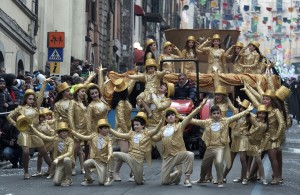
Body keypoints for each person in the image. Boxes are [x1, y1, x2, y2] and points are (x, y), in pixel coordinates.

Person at [191, 104, 253, 188]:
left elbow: (237, 116)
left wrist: (247, 110)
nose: (216, 115)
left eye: (217, 113)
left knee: (219, 163)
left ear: (220, 113)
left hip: (220, 147)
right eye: (214, 113)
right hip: (210, 148)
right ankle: (202, 179)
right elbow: (194, 121)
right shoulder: (207, 122)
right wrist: (181, 117)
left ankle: (220, 181)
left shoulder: (225, 121)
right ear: (211, 115)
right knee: (204, 165)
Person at [152, 100, 207, 187]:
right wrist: (148, 134)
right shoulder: (163, 129)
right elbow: (155, 138)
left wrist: (200, 107)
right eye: (168, 115)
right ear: (166, 119)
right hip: (167, 157)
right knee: (164, 182)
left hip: (178, 154)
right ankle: (177, 174)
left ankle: (187, 179)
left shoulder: (179, 126)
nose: (170, 117)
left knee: (190, 154)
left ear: (175, 117)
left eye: (172, 115)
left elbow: (189, 117)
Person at [7, 79, 53, 179]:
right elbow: (9, 117)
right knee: (26, 152)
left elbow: (40, 95)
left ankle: (53, 168)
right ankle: (26, 171)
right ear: (25, 99)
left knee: (44, 152)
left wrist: (45, 82)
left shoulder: (37, 108)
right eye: (29, 99)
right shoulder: (20, 108)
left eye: (33, 99)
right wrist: (17, 125)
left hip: (35, 132)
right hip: (25, 133)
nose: (32, 101)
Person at [242, 83, 285, 184]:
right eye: (264, 99)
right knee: (259, 156)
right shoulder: (263, 109)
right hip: (263, 137)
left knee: (272, 157)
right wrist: (247, 90)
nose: (265, 101)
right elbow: (254, 99)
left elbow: (282, 124)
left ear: (272, 100)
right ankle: (252, 175)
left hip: (272, 137)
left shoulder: (276, 111)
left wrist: (277, 136)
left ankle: (277, 177)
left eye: (267, 99)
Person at [109, 112, 163, 185]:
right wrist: (110, 129)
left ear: (143, 125)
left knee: (139, 182)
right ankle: (110, 173)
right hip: (129, 157)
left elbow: (156, 130)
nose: (135, 126)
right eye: (134, 125)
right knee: (112, 154)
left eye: (137, 125)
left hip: (138, 161)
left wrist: (161, 121)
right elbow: (120, 135)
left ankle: (138, 176)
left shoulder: (147, 134)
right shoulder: (131, 134)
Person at [70, 119, 113, 186]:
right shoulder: (94, 136)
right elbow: (84, 137)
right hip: (94, 160)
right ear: (100, 129)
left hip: (102, 162)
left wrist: (110, 155)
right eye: (105, 128)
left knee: (101, 182)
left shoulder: (109, 139)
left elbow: (110, 147)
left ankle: (107, 177)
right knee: (86, 163)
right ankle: (89, 179)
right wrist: (74, 133)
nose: (107, 130)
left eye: (107, 128)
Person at [30, 122, 74, 187]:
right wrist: (33, 129)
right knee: (56, 182)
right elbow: (44, 137)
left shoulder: (70, 140)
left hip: (69, 161)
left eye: (66, 131)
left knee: (66, 159)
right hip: (60, 164)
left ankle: (69, 179)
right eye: (63, 132)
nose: (65, 133)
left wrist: (58, 158)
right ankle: (63, 176)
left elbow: (69, 152)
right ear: (59, 133)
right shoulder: (55, 139)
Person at [223, 98, 251, 184]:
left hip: (243, 139)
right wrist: (227, 97)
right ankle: (223, 177)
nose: (242, 109)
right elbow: (231, 106)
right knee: (230, 159)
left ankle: (244, 178)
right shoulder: (236, 114)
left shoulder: (250, 117)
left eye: (244, 108)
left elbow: (257, 125)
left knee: (243, 159)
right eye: (241, 107)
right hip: (235, 140)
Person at [110, 78, 132, 181]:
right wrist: (127, 131)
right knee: (124, 151)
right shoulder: (120, 103)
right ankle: (115, 172)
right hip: (122, 130)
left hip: (128, 129)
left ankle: (134, 173)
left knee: (133, 151)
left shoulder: (125, 100)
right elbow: (121, 119)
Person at [246, 104, 269, 185]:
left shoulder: (265, 124)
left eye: (263, 113)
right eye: (260, 113)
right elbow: (248, 114)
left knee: (259, 160)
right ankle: (248, 176)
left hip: (257, 144)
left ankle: (263, 178)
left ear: (266, 115)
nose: (261, 115)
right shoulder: (254, 119)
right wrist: (248, 109)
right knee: (248, 159)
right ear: (257, 113)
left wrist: (262, 148)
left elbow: (265, 137)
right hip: (249, 142)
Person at [68, 84, 87, 175]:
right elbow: (70, 116)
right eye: (82, 91)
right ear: (77, 92)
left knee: (82, 150)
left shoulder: (83, 102)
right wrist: (73, 129)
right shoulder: (73, 102)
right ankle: (72, 167)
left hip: (85, 129)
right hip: (77, 129)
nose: (84, 93)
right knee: (74, 150)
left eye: (84, 91)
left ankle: (84, 167)